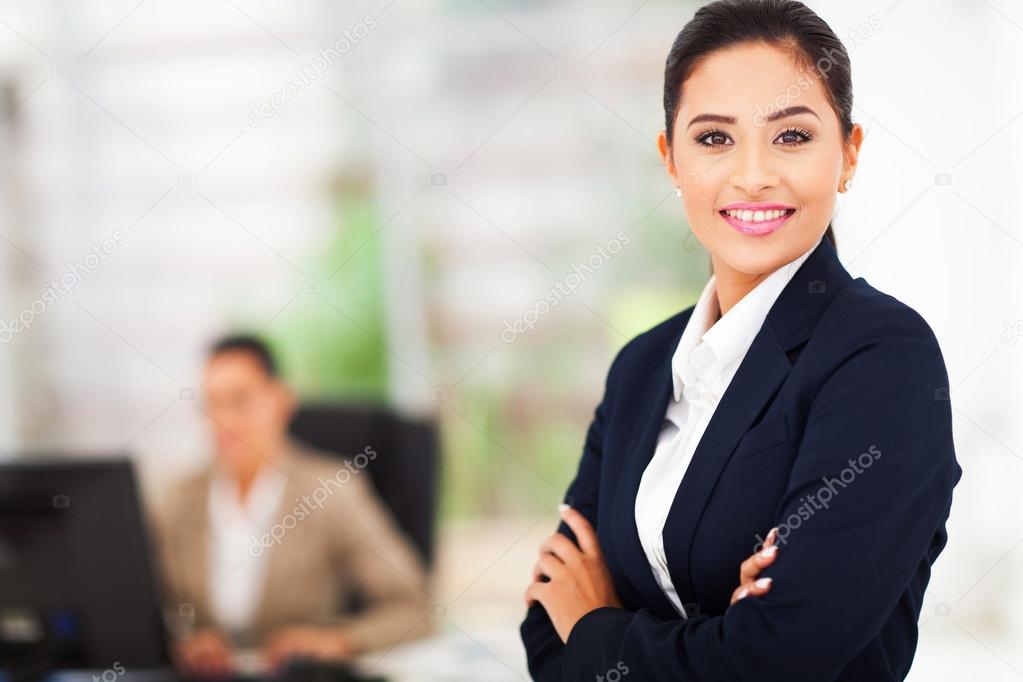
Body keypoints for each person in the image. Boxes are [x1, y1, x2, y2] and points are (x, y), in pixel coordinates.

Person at [519, 1, 962, 680]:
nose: (752, 175)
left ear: (847, 154)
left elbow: (782, 656)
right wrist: (719, 633)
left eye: (790, 137)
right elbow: (545, 628)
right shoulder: (641, 367)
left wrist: (598, 624)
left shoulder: (882, 357)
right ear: (669, 158)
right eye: (713, 139)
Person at [155, 335, 431, 676]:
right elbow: (148, 610)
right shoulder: (180, 497)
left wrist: (341, 640)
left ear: (281, 401)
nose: (223, 421)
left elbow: (413, 606)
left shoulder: (332, 490)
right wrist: (186, 642)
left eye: (240, 401)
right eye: (212, 404)